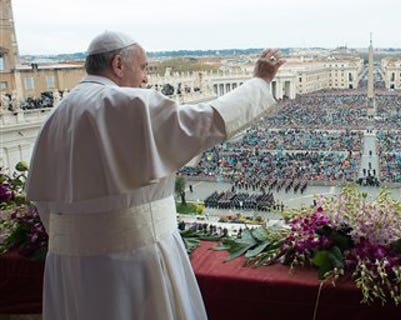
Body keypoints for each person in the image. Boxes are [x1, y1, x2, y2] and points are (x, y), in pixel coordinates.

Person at [26, 30, 285, 320]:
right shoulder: (126, 104)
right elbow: (205, 121)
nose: (146, 78)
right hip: (132, 263)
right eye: (144, 67)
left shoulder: (57, 115)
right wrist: (260, 81)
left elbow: (45, 205)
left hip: (69, 268)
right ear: (118, 65)